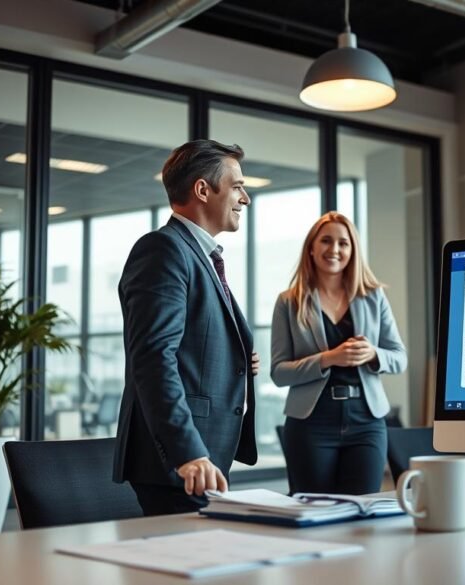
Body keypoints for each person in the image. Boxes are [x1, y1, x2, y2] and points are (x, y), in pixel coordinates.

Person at [113, 139, 260, 516]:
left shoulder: (198, 254)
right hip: (180, 460)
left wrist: (238, 360)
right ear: (202, 190)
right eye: (237, 187)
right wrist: (187, 452)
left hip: (203, 453)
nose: (245, 198)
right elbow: (153, 359)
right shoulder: (163, 250)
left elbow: (192, 345)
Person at [271, 212, 407, 495]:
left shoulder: (373, 297)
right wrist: (328, 359)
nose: (334, 249)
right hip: (311, 423)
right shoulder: (289, 302)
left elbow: (399, 358)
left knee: (363, 509)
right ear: (311, 247)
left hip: (366, 422)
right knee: (314, 511)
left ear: (352, 250)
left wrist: (373, 353)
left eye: (343, 243)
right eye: (326, 241)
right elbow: (279, 373)